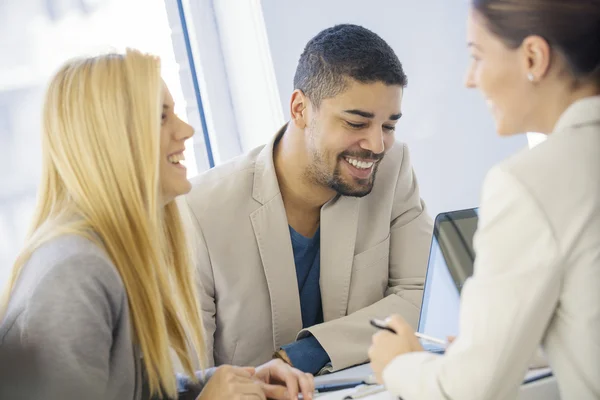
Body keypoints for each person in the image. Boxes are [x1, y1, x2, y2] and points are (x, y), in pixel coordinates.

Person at [0, 50, 313, 400]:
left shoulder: (102, 254)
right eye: (161, 117)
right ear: (110, 138)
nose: (186, 130)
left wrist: (225, 383)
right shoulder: (74, 272)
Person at [368, 0, 600, 399]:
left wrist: (398, 364)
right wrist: (504, 345)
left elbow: (470, 390)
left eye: (476, 56)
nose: (469, 79)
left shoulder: (528, 183)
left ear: (533, 56)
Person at [185, 24, 433, 375]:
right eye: (356, 123)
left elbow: (425, 297)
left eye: (388, 127)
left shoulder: (392, 170)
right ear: (300, 109)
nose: (377, 146)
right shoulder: (199, 210)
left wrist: (307, 352)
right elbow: (187, 376)